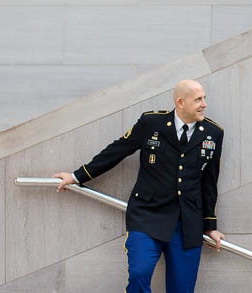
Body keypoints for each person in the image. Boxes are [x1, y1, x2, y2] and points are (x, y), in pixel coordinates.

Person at [52, 79, 225, 293]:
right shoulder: (152, 123)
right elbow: (118, 149)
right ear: (181, 102)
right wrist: (78, 176)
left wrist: (210, 225)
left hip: (187, 223)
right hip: (147, 216)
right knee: (139, 274)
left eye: (204, 98)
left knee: (182, 289)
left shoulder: (213, 133)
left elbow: (210, 182)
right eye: (198, 99)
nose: (204, 104)